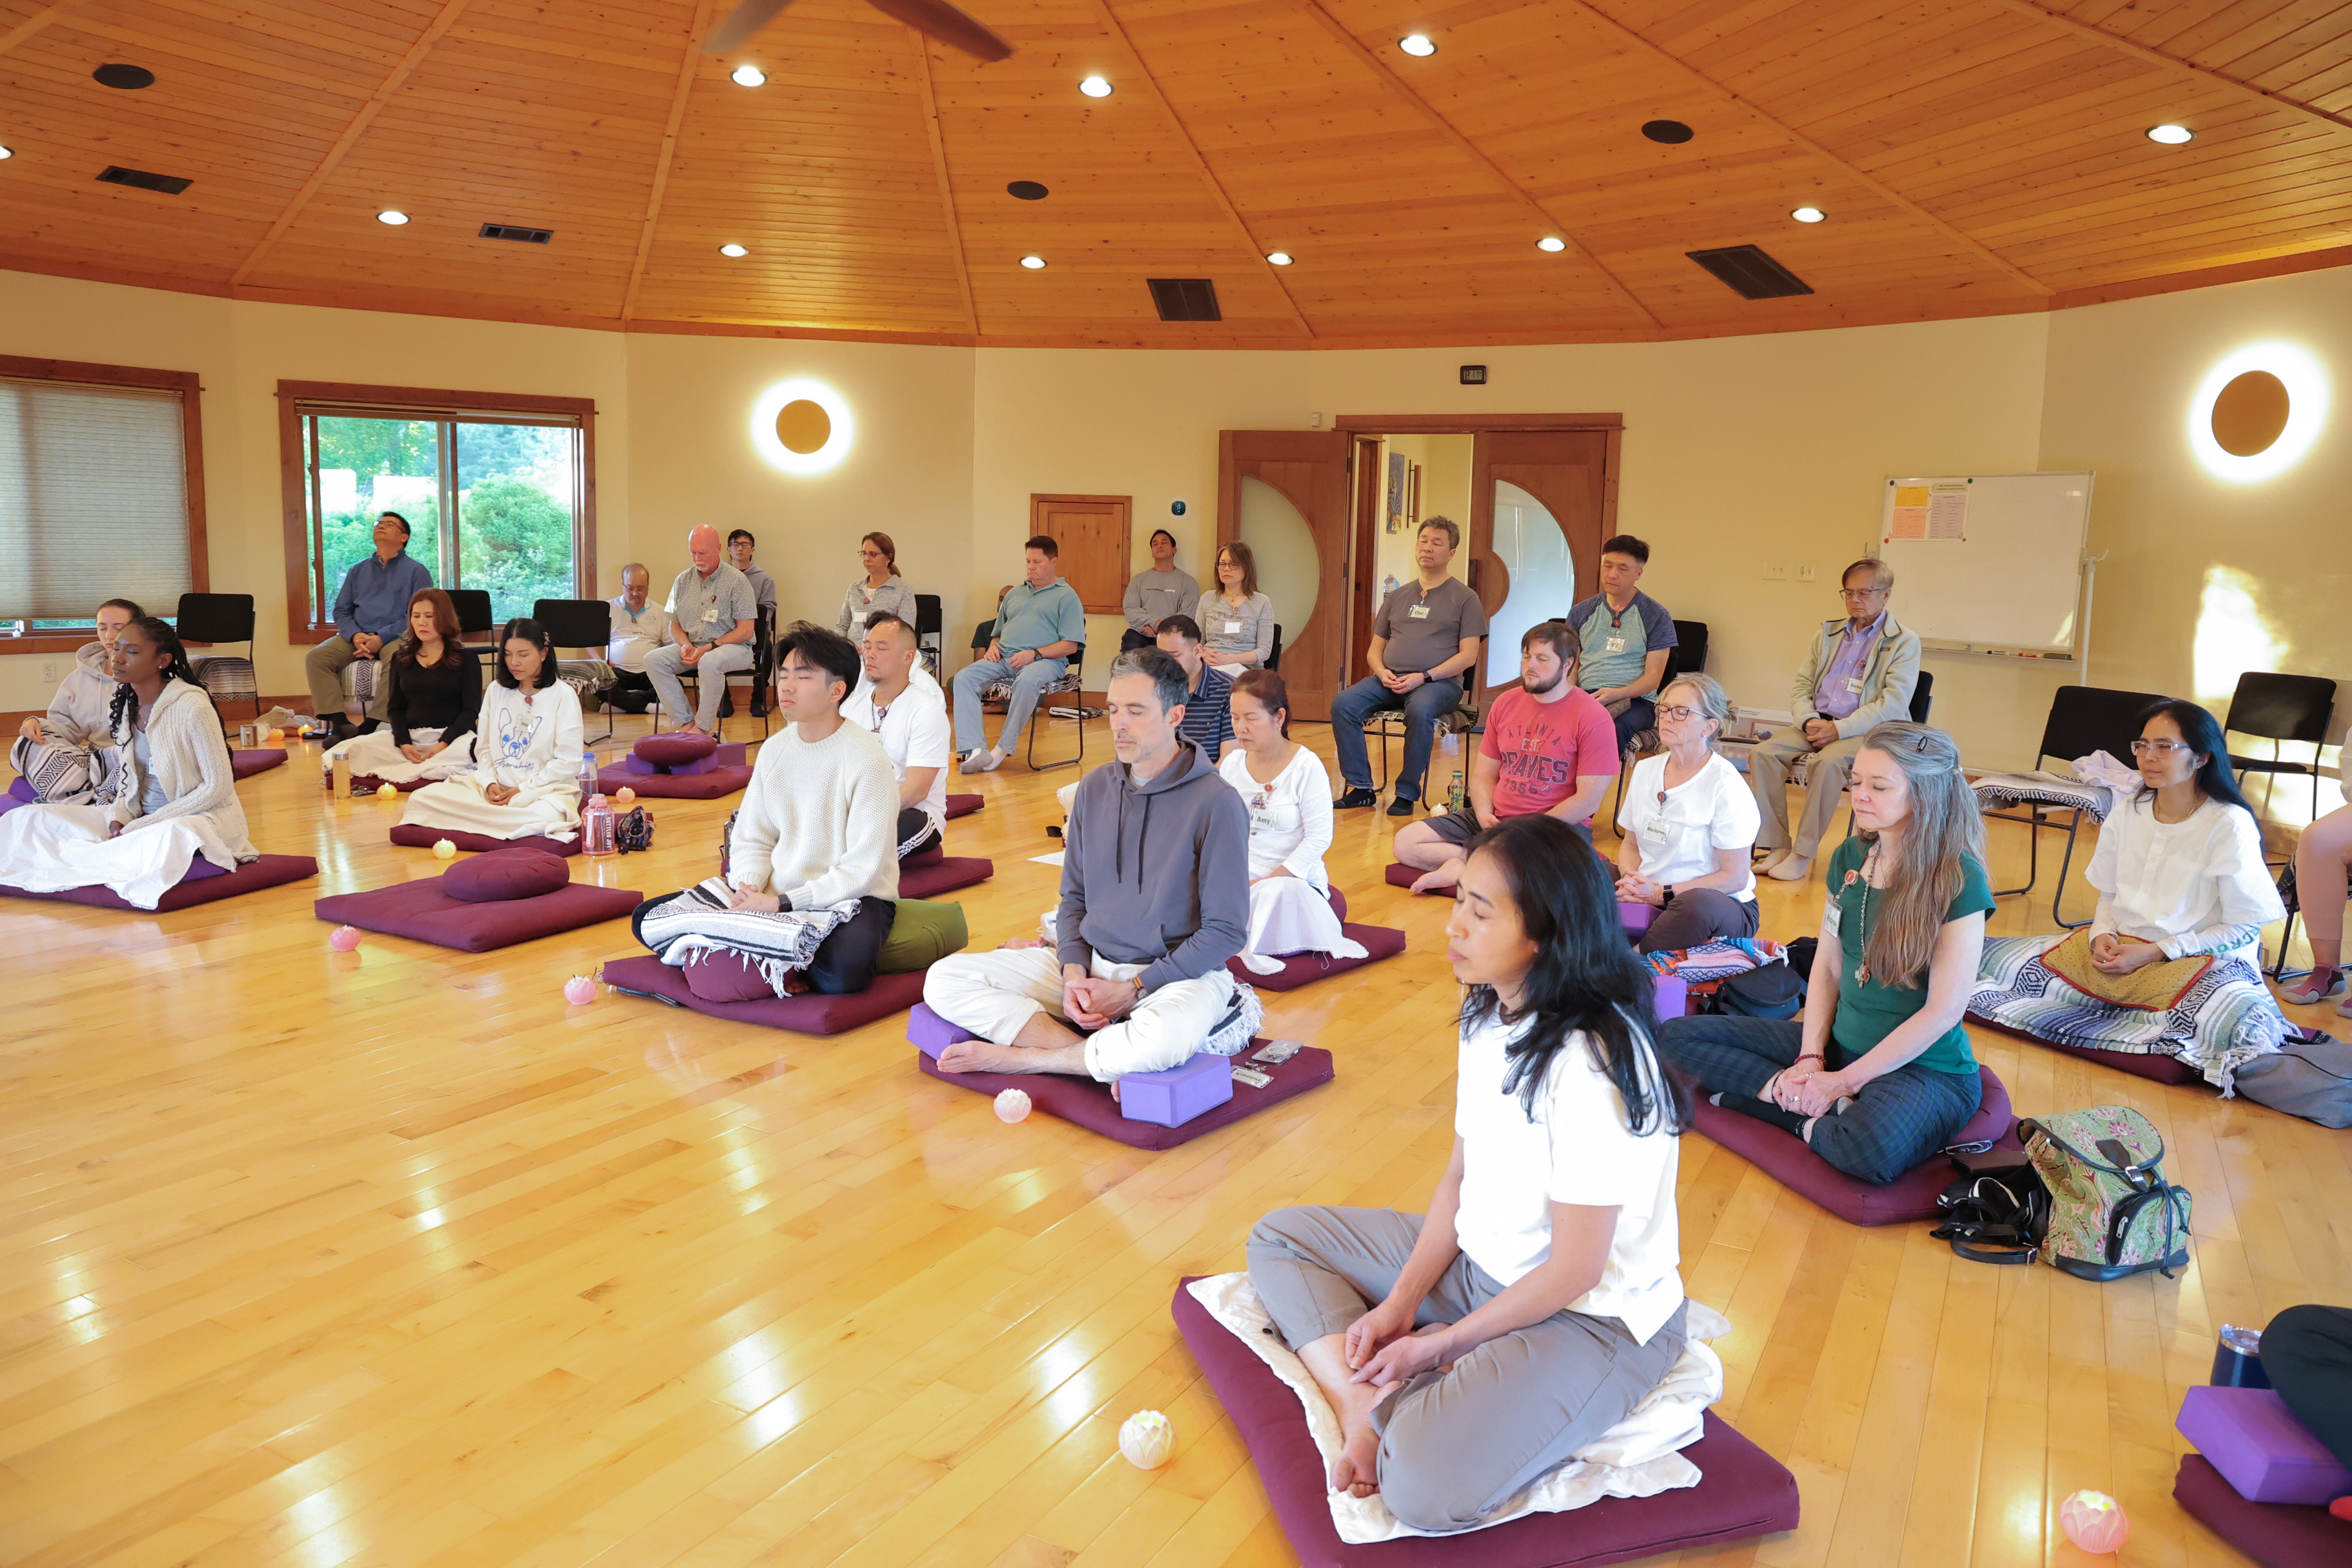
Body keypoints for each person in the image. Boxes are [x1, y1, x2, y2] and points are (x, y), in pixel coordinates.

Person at [1245, 815, 1688, 1529]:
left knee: (1420, 1488)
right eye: (1459, 901)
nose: (1454, 925)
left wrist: (1448, 1340)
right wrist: (1398, 1307)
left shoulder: (1592, 1060)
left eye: (1480, 911)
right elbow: (1460, 1175)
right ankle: (1358, 1402)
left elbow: (1577, 1267)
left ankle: (1421, 1399)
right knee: (1281, 1237)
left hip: (1591, 1317)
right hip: (1484, 1265)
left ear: (1545, 932)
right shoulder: (1487, 1003)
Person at [1660, 721, 1992, 1184]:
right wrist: (1811, 1059)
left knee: (1870, 1149)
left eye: (1879, 786)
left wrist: (1843, 1083)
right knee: (1673, 1036)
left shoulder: (1959, 877)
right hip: (1837, 1047)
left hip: (1922, 1068)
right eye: (1856, 782)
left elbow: (1943, 1012)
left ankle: (1786, 1113)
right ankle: (1795, 1099)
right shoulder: (1851, 857)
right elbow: (1829, 965)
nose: (1859, 796)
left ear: (1927, 793)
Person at [925, 648, 1254, 1084]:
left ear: (1176, 716)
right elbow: (1074, 898)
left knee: (1165, 1038)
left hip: (1171, 979)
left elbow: (1226, 931)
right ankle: (1086, 1054)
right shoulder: (1094, 789)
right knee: (943, 979)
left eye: (1136, 711)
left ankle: (1028, 1059)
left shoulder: (1217, 803)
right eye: (1115, 708)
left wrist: (1133, 990)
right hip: (1091, 965)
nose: (1119, 723)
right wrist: (1074, 972)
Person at [1971, 700, 2289, 1088]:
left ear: (2203, 757)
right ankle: (2126, 1022)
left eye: (2165, 747)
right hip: (2123, 952)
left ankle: (2118, 1017)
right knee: (1992, 961)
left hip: (2194, 962)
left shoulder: (2228, 824)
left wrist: (2157, 951)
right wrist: (2101, 935)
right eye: (2142, 746)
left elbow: (2243, 929)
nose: (2149, 757)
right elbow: (2109, 895)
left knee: (2226, 1015)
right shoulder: (2127, 811)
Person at [636, 623, 901, 997]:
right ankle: (774, 948)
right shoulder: (775, 750)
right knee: (645, 919)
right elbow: (753, 836)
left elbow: (863, 869)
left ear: (836, 691)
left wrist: (781, 904)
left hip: (850, 898)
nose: (788, 686)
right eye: (786, 674)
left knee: (843, 976)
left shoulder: (866, 758)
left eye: (804, 677)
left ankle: (764, 946)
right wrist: (749, 889)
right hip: (772, 893)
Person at [0, 618, 257, 910]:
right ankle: (99, 855)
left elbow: (218, 787)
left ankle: (84, 859)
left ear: (163, 660)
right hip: (141, 820)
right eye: (117, 649)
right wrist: (120, 816)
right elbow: (129, 780)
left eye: (132, 652)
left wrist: (148, 823)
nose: (118, 658)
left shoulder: (192, 706)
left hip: (194, 819)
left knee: (171, 836)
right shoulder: (127, 705)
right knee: (29, 818)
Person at [1390, 622, 1616, 893]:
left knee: (1542, 874)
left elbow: (1588, 799)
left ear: (1568, 664)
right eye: (1526, 656)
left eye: (1542, 659)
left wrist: (1530, 828)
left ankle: (1474, 864)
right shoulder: (1506, 702)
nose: (1530, 665)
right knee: (1405, 842)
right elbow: (1485, 774)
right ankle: (1467, 864)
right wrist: (1484, 812)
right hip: (1495, 818)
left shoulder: (1594, 718)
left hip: (1553, 826)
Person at [1747, 560, 1921, 885]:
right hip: (1817, 723)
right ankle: (1776, 846)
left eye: (1865, 592)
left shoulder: (1903, 642)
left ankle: (1803, 853)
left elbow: (1893, 705)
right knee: (1764, 754)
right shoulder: (1828, 634)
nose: (1856, 600)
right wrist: (1809, 719)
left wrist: (1839, 730)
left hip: (1867, 732)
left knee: (1827, 764)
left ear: (1886, 595)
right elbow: (1802, 685)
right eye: (1849, 592)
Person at [1331, 518, 1487, 817]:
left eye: (1437, 543)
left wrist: (1424, 676)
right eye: (1424, 540)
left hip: (1438, 685)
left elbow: (1469, 656)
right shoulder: (1399, 596)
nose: (1427, 547)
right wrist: (1381, 672)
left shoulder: (1466, 598)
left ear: (1452, 552)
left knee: (1419, 711)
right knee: (1343, 704)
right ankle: (1361, 788)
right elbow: (1375, 649)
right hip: (1388, 680)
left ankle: (1406, 793)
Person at [1219, 669, 1367, 975]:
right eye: (1234, 718)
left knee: (1274, 894)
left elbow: (1318, 839)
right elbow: (1216, 831)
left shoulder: (1306, 766)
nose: (1240, 728)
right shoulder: (1232, 764)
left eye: (1251, 718)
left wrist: (1266, 880)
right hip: (1240, 876)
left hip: (1289, 880)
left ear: (1279, 717)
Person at [398, 618, 585, 843]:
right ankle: (501, 820)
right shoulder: (496, 691)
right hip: (492, 790)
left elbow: (569, 761)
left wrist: (523, 788)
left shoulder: (563, 695)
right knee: (421, 800)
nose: (514, 662)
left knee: (545, 815)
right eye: (507, 654)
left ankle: (486, 821)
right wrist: (489, 783)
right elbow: (484, 747)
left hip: (541, 791)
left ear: (544, 653)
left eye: (523, 655)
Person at [1614, 674, 1761, 952]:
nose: (1667, 718)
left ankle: (1631, 962)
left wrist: (1661, 894)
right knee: (1589, 871)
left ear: (1710, 727)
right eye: (1664, 709)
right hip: (1650, 889)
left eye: (1681, 712)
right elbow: (1630, 844)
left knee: (1696, 904)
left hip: (1714, 903)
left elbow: (1734, 877)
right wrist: (1633, 881)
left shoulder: (1725, 784)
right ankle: (1589, 948)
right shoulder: (1646, 771)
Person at [319, 589, 481, 787]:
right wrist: (404, 743)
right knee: (346, 752)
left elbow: (470, 710)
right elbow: (395, 708)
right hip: (411, 740)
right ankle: (422, 768)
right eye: (416, 616)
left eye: (429, 616)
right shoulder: (401, 658)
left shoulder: (466, 659)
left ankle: (429, 768)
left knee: (478, 751)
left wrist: (443, 743)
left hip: (452, 741)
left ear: (445, 618)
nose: (422, 622)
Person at [952, 535, 1086, 774]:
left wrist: (1033, 654)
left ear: (1054, 561)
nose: (1031, 567)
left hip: (1046, 661)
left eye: (1038, 562)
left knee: (1027, 680)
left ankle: (1002, 749)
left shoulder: (1067, 597)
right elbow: (997, 634)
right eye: (1028, 562)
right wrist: (993, 646)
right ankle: (976, 749)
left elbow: (1070, 646)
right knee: (963, 679)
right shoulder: (1014, 594)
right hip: (1004, 657)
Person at [306, 511, 435, 740]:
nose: (381, 526)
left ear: (404, 537)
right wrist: (355, 635)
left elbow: (418, 616)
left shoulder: (417, 571)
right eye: (379, 523)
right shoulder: (358, 570)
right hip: (356, 635)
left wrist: (381, 638)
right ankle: (340, 724)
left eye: (389, 524)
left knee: (397, 658)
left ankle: (372, 724)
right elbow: (341, 610)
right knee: (317, 657)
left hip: (396, 635)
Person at [843, 612, 951, 861]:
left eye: (882, 648)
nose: (870, 654)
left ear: (908, 657)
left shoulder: (926, 710)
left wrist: (863, 813)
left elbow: (916, 790)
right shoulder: (851, 707)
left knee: (883, 831)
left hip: (912, 813)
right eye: (867, 646)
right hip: (859, 809)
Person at [10, 596, 142, 802]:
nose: (109, 635)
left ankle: (84, 794)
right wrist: (35, 724)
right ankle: (88, 794)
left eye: (119, 627)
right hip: (95, 761)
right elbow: (64, 729)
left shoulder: (150, 675)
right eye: (102, 627)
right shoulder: (79, 678)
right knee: (26, 745)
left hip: (136, 758)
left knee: (147, 764)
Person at [1566, 534, 1676, 756]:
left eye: (1623, 569)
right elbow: (1570, 666)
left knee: (1611, 728)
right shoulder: (1582, 612)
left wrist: (1616, 694)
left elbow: (1653, 679)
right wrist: (1571, 694)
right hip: (1585, 695)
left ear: (1638, 574)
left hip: (1636, 702)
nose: (1612, 574)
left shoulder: (1655, 615)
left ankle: (1597, 789)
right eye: (1607, 565)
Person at [645, 525, 757, 736]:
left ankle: (703, 728)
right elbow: (674, 624)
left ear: (718, 548)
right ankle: (686, 725)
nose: (697, 558)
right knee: (653, 660)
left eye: (703, 553)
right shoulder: (681, 581)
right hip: (694, 645)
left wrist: (710, 647)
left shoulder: (738, 581)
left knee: (710, 661)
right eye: (693, 553)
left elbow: (746, 630)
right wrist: (686, 644)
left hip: (734, 648)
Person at [1154, 614, 1235, 763]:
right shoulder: (1154, 688)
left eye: (1175, 655)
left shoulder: (1229, 691)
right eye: (1162, 656)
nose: (1167, 664)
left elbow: (1228, 762)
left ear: (1197, 651)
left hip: (1209, 780)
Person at [1197, 540, 1275, 677]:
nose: (1226, 568)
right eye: (1222, 564)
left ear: (1246, 567)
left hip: (1246, 671)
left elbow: (1264, 652)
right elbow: (1197, 642)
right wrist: (1203, 655)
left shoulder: (1262, 602)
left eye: (1233, 564)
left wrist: (1227, 659)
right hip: (1210, 668)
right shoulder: (1207, 599)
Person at [1121, 528, 1199, 651]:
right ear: (1152, 551)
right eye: (1155, 544)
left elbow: (1188, 615)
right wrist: (1153, 624)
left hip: (1173, 635)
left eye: (1164, 542)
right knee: (1130, 641)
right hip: (1143, 633)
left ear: (1174, 550)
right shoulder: (1138, 580)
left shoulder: (1189, 582)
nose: (1159, 546)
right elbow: (1131, 609)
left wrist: (1162, 629)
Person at [836, 531, 919, 639]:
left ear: (888, 558)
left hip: (883, 653)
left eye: (873, 554)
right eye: (864, 553)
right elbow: (842, 626)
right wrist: (846, 648)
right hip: (852, 654)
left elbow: (906, 634)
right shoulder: (855, 587)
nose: (866, 559)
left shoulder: (903, 590)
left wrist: (871, 649)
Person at [604, 563, 662, 714]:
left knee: (675, 685)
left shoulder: (660, 611)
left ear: (648, 586)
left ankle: (620, 705)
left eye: (640, 589)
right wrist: (600, 662)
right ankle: (648, 707)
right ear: (623, 586)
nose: (635, 593)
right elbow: (589, 639)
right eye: (630, 588)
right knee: (600, 685)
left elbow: (671, 643)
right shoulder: (608, 608)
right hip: (618, 671)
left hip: (649, 672)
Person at [726, 529, 778, 616]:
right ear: (729, 549)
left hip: (754, 627)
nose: (740, 548)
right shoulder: (722, 577)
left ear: (752, 550)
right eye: (735, 545)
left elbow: (767, 612)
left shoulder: (765, 580)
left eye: (745, 545)